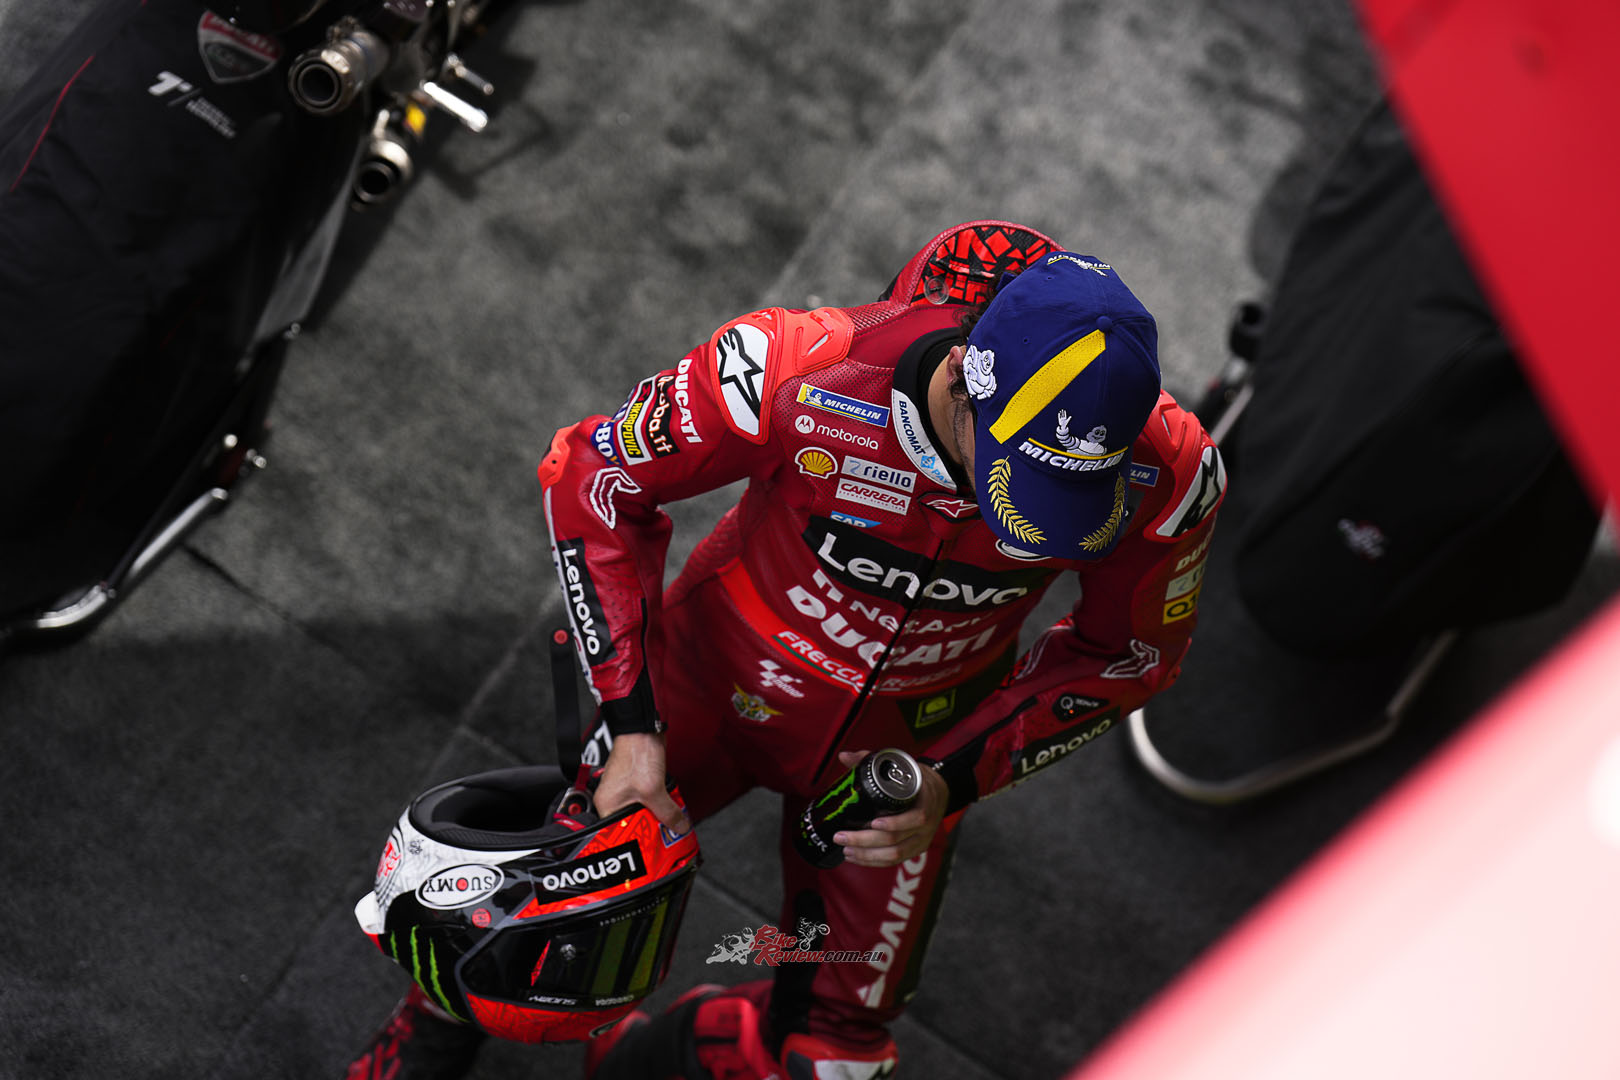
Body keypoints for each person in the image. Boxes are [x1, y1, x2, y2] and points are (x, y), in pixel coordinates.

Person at [344, 219, 1225, 1079]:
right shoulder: (794, 367)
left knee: (834, 1063)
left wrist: (955, 777)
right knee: (518, 917)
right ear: (964, 376)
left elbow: (1131, 656)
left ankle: (661, 1057)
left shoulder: (1173, 473)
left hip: (900, 765)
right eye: (1017, 471)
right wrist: (633, 724)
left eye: (1070, 491)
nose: (1028, 512)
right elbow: (595, 475)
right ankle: (430, 1028)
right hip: (703, 688)